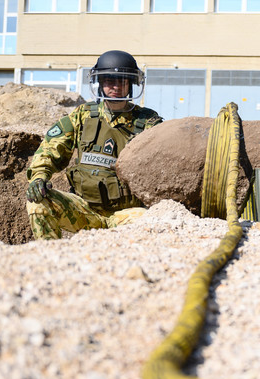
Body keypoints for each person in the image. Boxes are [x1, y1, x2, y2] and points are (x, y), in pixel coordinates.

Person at [25, 50, 163, 240]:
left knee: (155, 220)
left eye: (121, 81)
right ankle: (51, 259)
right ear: (99, 83)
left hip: (127, 215)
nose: (115, 87)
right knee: (37, 202)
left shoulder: (149, 122)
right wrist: (39, 177)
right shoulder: (82, 115)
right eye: (109, 81)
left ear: (131, 84)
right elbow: (49, 151)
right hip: (84, 211)